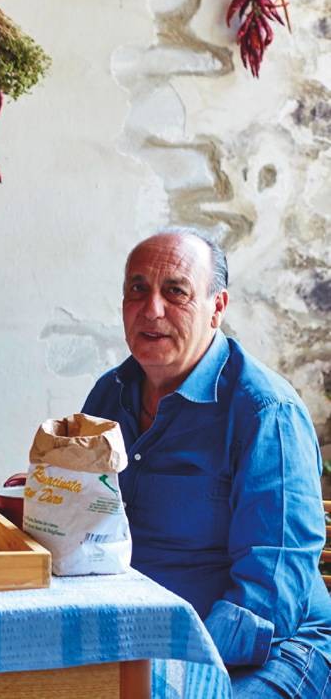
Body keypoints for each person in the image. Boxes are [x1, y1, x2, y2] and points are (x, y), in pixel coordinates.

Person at [82, 229, 331, 696]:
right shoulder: (108, 394)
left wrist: (175, 666)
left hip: (271, 651)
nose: (151, 309)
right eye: (137, 289)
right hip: (140, 638)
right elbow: (82, 522)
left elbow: (270, 596)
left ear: (217, 308)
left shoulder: (265, 413)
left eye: (175, 291)